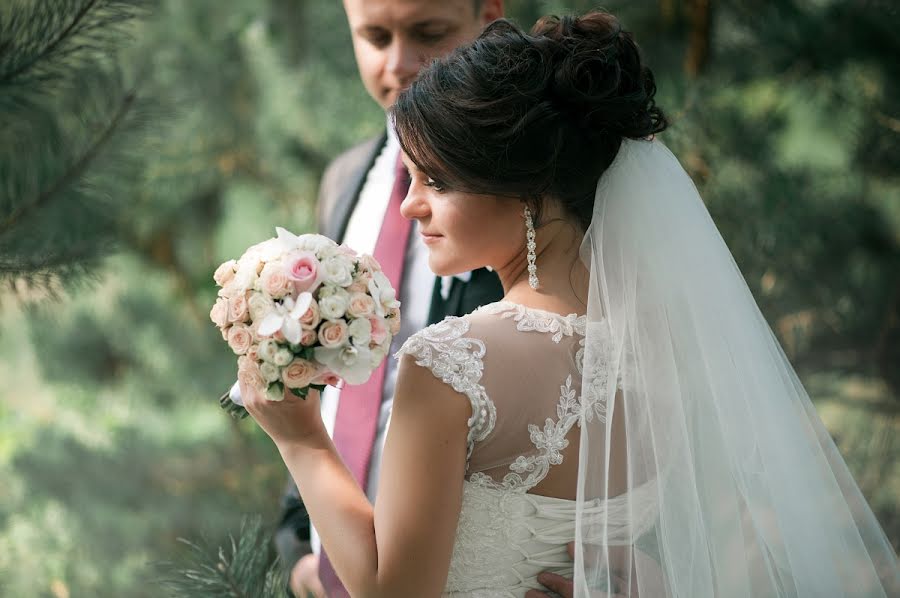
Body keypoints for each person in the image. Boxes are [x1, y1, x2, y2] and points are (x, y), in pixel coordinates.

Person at [241, 9, 900, 598]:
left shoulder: (448, 363)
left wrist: (302, 443)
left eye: (436, 181)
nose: (411, 204)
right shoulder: (663, 348)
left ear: (526, 191)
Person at [257, 1, 504, 596]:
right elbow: (330, 380)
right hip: (337, 563)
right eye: (373, 36)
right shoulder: (346, 180)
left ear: (490, 14)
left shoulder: (531, 188)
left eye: (429, 33)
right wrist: (301, 550)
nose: (399, 62)